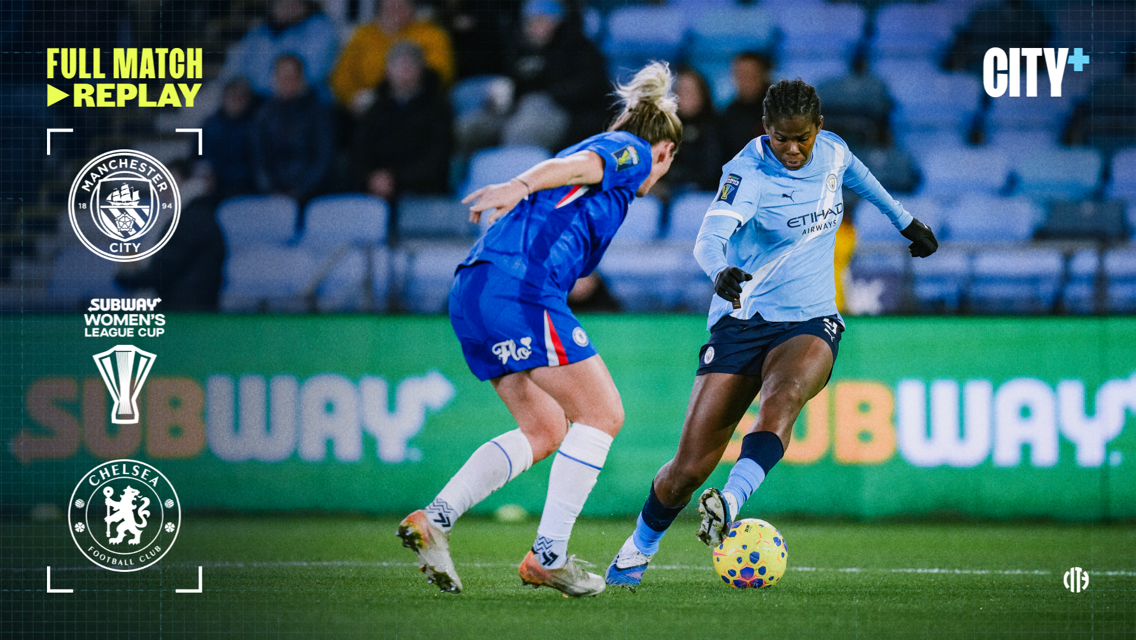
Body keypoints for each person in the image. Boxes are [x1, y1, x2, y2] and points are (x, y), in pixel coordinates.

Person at [604, 78, 938, 590]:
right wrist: (720, 272)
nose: (793, 148)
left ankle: (731, 501)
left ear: (818, 128)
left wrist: (905, 221)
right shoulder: (746, 173)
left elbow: (863, 177)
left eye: (802, 137)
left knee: (784, 397)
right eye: (782, 138)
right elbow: (707, 240)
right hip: (742, 318)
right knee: (687, 470)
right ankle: (636, 550)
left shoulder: (832, 153)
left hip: (809, 318)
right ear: (767, 130)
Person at [396, 62, 681, 598]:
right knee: (603, 413)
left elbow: (567, 211)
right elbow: (583, 163)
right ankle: (548, 555)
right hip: (516, 289)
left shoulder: (606, 194)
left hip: (474, 291)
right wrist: (518, 184)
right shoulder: (633, 150)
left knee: (547, 429)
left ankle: (435, 519)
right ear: (666, 153)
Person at [455, 0, 610, 155]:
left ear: (556, 21)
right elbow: (512, 81)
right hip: (517, 108)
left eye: (541, 21)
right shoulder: (519, 48)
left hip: (564, 112)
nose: (534, 27)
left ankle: (515, 174)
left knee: (522, 130)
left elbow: (589, 88)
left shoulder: (580, 48)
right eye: (529, 22)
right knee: (469, 128)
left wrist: (544, 90)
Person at [351, 42, 452, 203]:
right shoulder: (376, 108)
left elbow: (437, 157)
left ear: (421, 69)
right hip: (375, 190)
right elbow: (360, 151)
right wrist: (371, 178)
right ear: (387, 71)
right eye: (398, 67)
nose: (404, 73)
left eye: (409, 66)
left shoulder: (438, 107)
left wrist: (396, 179)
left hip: (422, 192)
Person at [329, 0, 454, 115]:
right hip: (366, 105)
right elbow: (342, 76)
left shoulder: (430, 34)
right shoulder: (364, 34)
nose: (395, 9)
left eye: (401, 5)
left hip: (416, 102)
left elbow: (441, 73)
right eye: (390, 5)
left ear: (412, 8)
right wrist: (350, 98)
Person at [251, 54, 335, 207]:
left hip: (312, 196)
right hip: (272, 197)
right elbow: (260, 160)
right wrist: (272, 191)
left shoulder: (318, 113)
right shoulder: (263, 114)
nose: (286, 83)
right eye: (281, 77)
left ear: (302, 79)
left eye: (291, 77)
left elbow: (323, 159)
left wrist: (298, 193)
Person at [219, 0, 340, 100]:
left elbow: (314, 72)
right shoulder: (260, 31)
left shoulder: (320, 28)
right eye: (281, 2)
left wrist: (279, 86)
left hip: (304, 100)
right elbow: (237, 64)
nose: (287, 5)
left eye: (294, 3)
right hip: (256, 100)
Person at [718, 51, 773, 168]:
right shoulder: (728, 116)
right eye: (740, 75)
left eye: (751, 75)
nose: (745, 81)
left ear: (763, 75)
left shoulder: (784, 110)